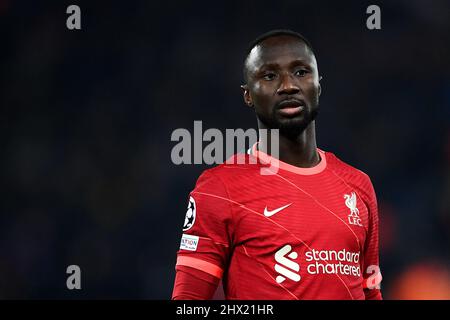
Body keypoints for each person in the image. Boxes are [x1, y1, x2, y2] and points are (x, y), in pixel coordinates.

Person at [171, 29, 382, 300]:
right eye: (270, 76)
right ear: (248, 95)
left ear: (318, 85)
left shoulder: (358, 185)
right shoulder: (220, 187)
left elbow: (371, 292)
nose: (288, 85)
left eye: (301, 72)